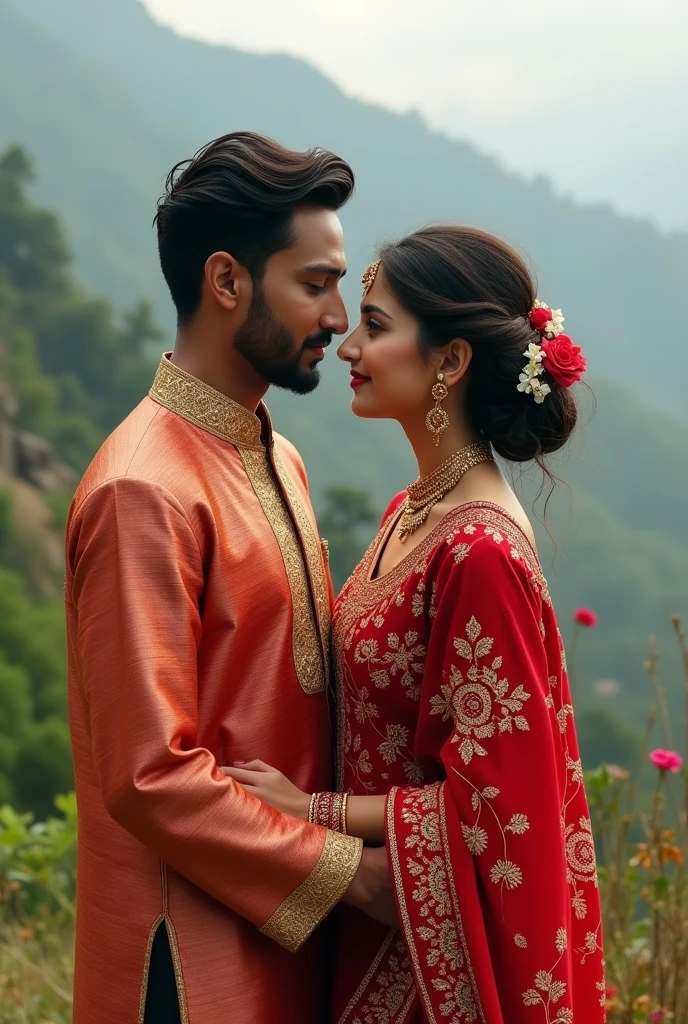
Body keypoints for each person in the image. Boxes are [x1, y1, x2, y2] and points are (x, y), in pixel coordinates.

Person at [222, 226, 606, 1023]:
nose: (349, 344)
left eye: (377, 325)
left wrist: (310, 812)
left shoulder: (479, 552)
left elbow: (496, 804)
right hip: (368, 924)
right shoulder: (414, 511)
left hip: (425, 971)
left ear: (451, 361)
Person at [64, 132, 396, 1024]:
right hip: (187, 964)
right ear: (226, 281)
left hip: (283, 939)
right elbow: (149, 775)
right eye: (315, 284)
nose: (338, 318)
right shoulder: (143, 488)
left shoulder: (275, 455)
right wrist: (355, 878)